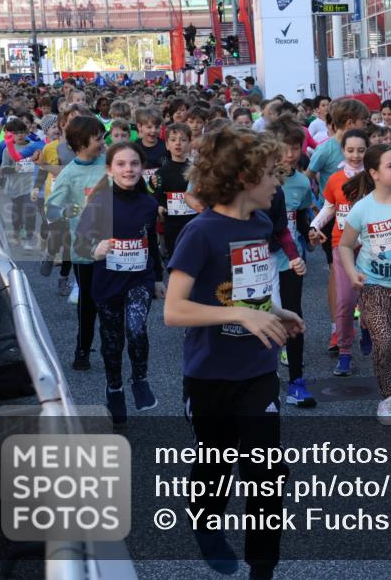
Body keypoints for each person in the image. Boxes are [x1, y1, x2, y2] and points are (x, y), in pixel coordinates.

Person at [164, 126, 303, 580]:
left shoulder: (261, 225)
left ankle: (263, 564)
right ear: (244, 178)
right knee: (216, 462)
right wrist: (245, 317)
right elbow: (174, 310)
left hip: (258, 371)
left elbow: (248, 291)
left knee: (267, 471)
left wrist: (275, 311)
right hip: (209, 375)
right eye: (269, 173)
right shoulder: (200, 233)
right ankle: (206, 526)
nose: (277, 182)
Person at [75, 142, 163, 424]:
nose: (129, 169)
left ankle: (140, 378)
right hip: (108, 282)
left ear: (142, 168)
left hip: (140, 278)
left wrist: (158, 278)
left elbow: (152, 242)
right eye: (122, 164)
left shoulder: (149, 203)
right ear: (109, 169)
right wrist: (95, 249)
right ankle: (114, 387)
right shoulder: (99, 201)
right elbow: (79, 241)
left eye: (134, 164)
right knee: (112, 343)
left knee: (136, 329)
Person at [338, 145, 391, 424]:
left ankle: (384, 359)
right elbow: (345, 245)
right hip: (372, 284)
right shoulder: (362, 209)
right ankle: (387, 400)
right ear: (374, 173)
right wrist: (351, 273)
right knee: (385, 342)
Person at [45, 115, 108, 370]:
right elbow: (51, 209)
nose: (103, 141)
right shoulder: (69, 174)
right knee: (89, 302)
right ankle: (82, 349)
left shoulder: (109, 164)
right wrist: (71, 211)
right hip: (84, 251)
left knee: (111, 300)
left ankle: (111, 346)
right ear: (81, 143)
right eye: (98, 137)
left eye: (103, 136)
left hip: (112, 246)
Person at [307, 98, 370, 352]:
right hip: (335, 221)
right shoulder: (326, 149)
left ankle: (365, 322)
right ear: (350, 122)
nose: (366, 125)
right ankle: (338, 327)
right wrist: (314, 210)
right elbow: (307, 178)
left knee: (366, 279)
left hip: (365, 230)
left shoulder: (366, 151)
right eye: (364, 122)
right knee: (338, 275)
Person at [273, 125, 314, 407]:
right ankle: (260, 382)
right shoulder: (258, 180)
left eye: (295, 148)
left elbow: (300, 218)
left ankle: (296, 383)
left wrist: (310, 233)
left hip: (291, 260)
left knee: (292, 318)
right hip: (258, 262)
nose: (290, 154)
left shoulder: (301, 183)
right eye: (284, 148)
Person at [34, 112, 75, 295]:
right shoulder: (49, 148)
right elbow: (43, 170)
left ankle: (63, 278)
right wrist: (36, 187)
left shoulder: (80, 148)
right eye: (61, 125)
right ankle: (50, 253)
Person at [0, 118, 45, 250]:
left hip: (30, 186)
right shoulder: (8, 149)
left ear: (27, 132)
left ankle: (29, 238)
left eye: (22, 132)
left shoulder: (33, 146)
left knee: (30, 212)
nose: (19, 135)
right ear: (10, 134)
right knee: (17, 212)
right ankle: (17, 231)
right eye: (15, 132)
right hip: (15, 187)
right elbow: (3, 168)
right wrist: (14, 169)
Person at [151, 123, 197, 259]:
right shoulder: (161, 173)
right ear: (167, 145)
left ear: (189, 144)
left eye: (183, 140)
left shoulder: (196, 170)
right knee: (176, 258)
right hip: (172, 226)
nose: (178, 143)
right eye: (173, 140)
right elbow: (155, 196)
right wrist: (159, 206)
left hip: (194, 223)